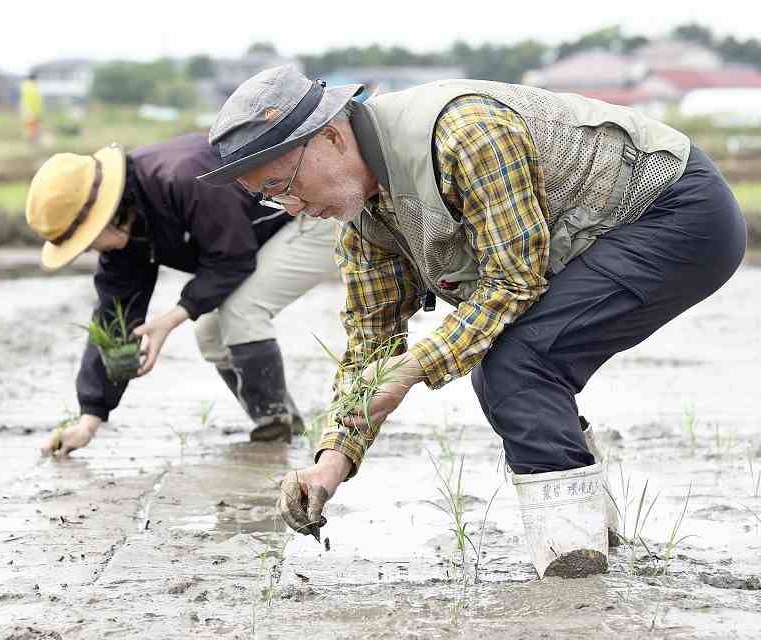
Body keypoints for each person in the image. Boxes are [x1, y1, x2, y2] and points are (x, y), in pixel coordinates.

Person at [198, 66, 746, 578]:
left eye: (284, 183)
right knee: (520, 363)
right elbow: (370, 345)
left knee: (515, 364)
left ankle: (574, 572)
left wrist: (413, 369)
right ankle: (590, 544)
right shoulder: (363, 220)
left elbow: (513, 281)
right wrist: (330, 460)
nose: (291, 207)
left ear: (332, 138)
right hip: (601, 240)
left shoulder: (464, 133)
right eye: (270, 199)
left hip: (676, 210)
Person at [25, 132, 337, 456]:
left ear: (105, 216)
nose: (89, 249)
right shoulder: (130, 226)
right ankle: (284, 427)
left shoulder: (185, 177)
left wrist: (173, 317)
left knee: (243, 311)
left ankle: (275, 435)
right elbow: (114, 315)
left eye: (86, 241)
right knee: (210, 333)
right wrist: (89, 417)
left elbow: (232, 259)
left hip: (311, 213)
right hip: (257, 239)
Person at [20, 72, 43, 144]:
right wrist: (36, 112)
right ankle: (33, 142)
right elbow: (35, 101)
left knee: (30, 127)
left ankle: (31, 141)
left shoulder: (25, 87)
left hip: (26, 110)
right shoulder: (33, 88)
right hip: (32, 111)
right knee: (33, 128)